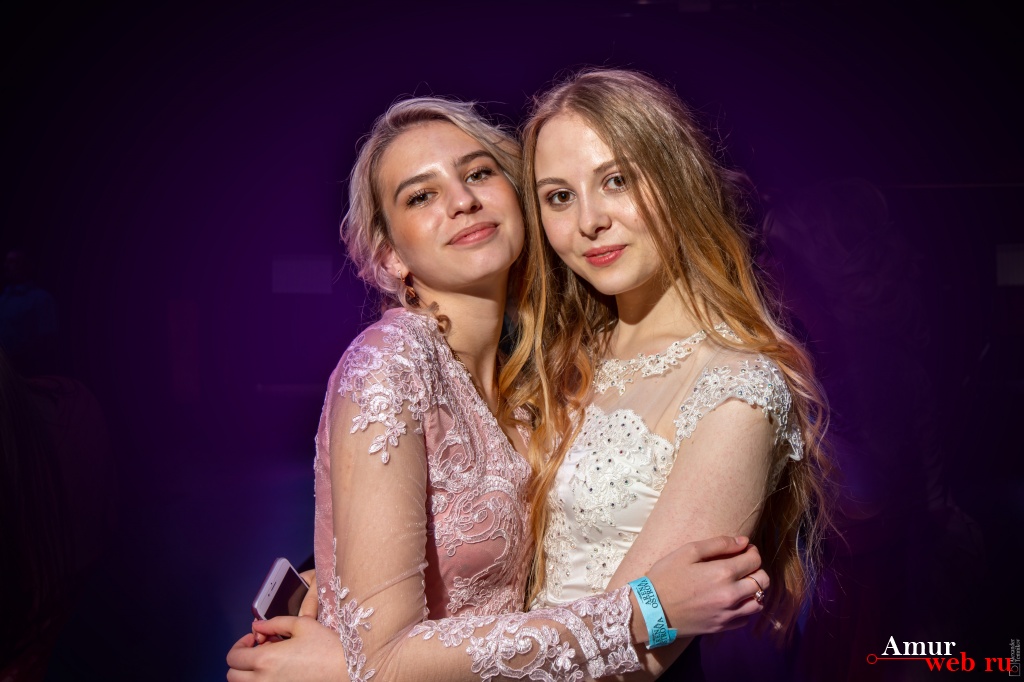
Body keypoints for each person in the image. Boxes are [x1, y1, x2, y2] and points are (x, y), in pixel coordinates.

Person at [227, 96, 768, 681]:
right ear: (389, 255)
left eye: (479, 173)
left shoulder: (535, 377)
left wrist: (334, 608)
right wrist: (639, 615)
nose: (462, 201)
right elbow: (383, 657)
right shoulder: (392, 363)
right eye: (421, 195)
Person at [517, 69, 831, 677]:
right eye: (559, 197)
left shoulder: (736, 387)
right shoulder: (562, 359)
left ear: (677, 178)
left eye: (616, 181)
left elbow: (641, 658)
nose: (589, 221)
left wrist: (408, 668)